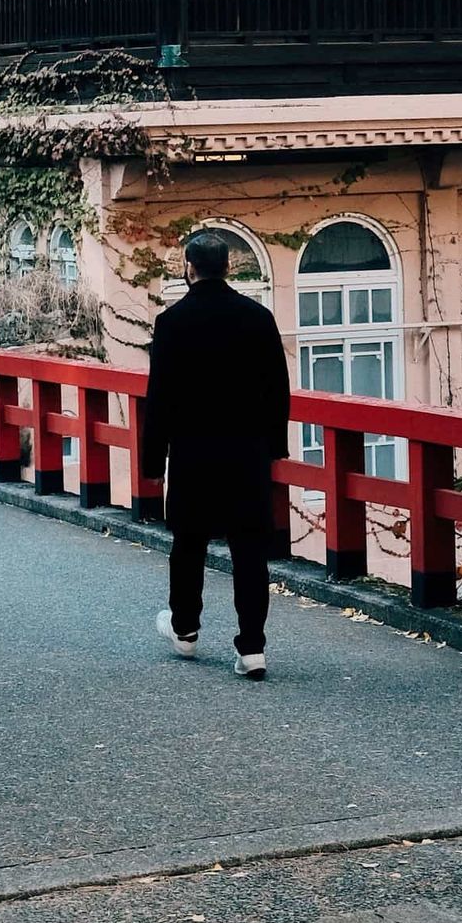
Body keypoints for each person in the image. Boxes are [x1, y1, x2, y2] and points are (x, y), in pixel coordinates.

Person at [141, 230, 291, 677]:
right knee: (249, 551)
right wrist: (273, 447)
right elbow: (277, 391)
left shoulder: (172, 324)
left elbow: (160, 400)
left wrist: (152, 464)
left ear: (189, 268)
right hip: (246, 453)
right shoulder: (258, 318)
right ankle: (252, 648)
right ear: (229, 266)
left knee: (188, 544)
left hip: (193, 454)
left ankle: (185, 630)